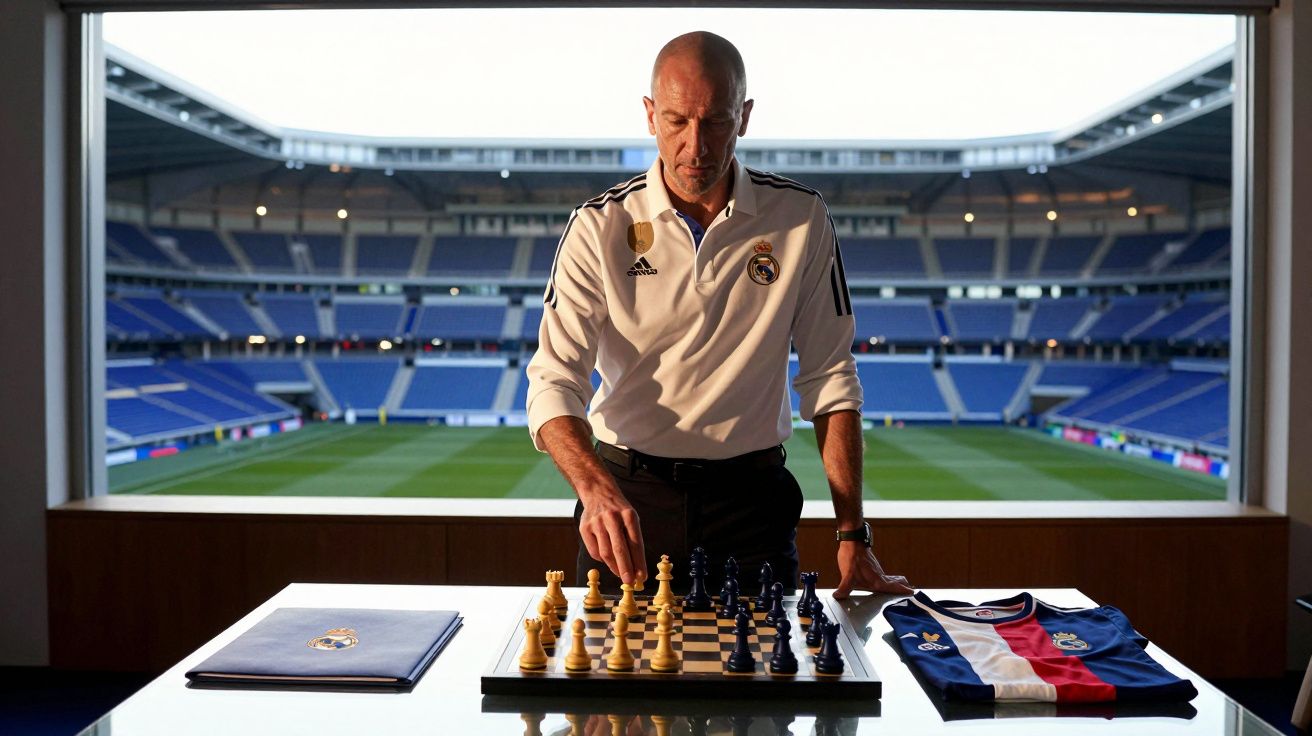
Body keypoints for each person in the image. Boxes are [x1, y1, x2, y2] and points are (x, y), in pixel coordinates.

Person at [526, 31, 911, 599]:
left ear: (745, 117)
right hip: (628, 499)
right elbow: (554, 379)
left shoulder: (800, 219)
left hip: (752, 506)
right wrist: (594, 489)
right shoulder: (598, 225)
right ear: (650, 115)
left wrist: (854, 532)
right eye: (678, 121)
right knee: (615, 683)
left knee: (758, 680)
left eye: (715, 123)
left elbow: (831, 378)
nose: (695, 146)